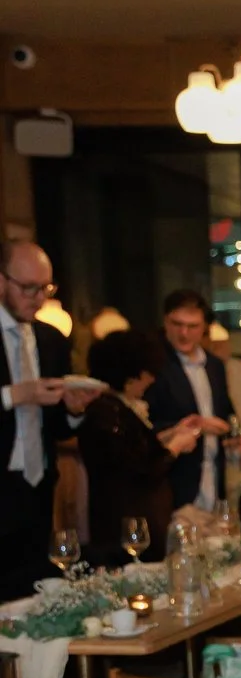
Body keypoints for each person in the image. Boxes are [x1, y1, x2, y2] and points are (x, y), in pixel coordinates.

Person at [0, 238, 100, 603]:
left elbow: (56, 427)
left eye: (46, 288)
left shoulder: (52, 339)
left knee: (31, 596)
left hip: (38, 486)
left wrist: (74, 410)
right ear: (1, 280)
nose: (39, 298)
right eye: (28, 288)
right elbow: (21, 397)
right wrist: (14, 395)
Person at [78, 330, 203, 566]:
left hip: (136, 519)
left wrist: (171, 434)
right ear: (132, 374)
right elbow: (142, 469)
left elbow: (136, 449)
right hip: (124, 521)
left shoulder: (118, 408)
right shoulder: (106, 411)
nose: (152, 380)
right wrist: (176, 445)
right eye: (148, 373)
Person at [146, 291, 232, 510]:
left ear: (205, 328)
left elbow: (225, 413)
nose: (184, 333)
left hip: (213, 477)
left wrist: (232, 437)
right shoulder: (154, 364)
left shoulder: (214, 366)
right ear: (165, 322)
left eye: (192, 326)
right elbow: (144, 423)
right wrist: (195, 426)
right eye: (177, 324)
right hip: (174, 482)